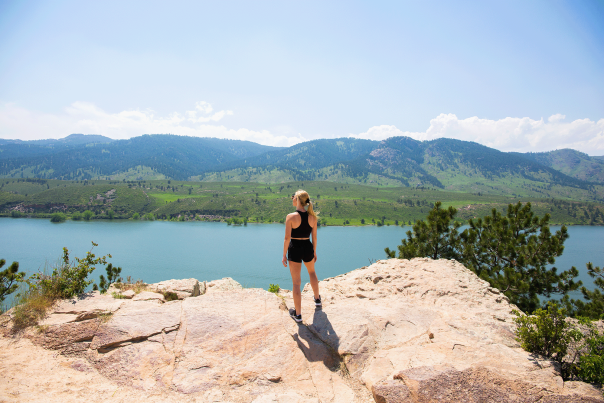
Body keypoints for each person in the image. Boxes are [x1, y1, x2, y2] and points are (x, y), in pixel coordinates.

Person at [282, 189, 321, 322]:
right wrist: (314, 251)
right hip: (307, 246)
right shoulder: (312, 217)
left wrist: (283, 255)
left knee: (296, 283)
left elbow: (287, 238)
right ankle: (317, 299)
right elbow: (314, 237)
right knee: (312, 273)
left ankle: (298, 315)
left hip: (295, 249)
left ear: (298, 200)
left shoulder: (290, 217)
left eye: (293, 197)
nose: (292, 198)